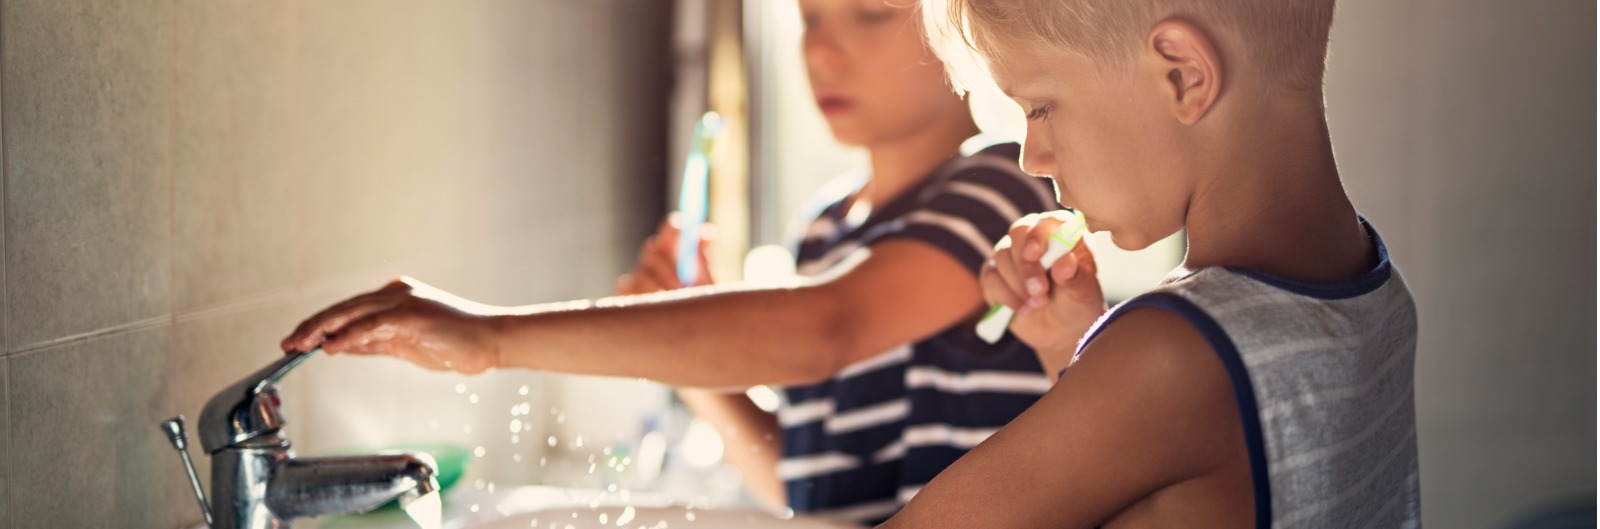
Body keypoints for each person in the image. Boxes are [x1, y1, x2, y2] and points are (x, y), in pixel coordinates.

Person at [280, 0, 1062, 524]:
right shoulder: (823, 229)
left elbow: (829, 326)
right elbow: (799, 477)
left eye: (870, 14)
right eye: (807, 16)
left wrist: (488, 337)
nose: (823, 47)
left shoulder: (1001, 183)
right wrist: (697, 361)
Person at [870, 0, 1421, 527]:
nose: (1030, 156)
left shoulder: (1172, 357)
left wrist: (1120, 361)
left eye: (1040, 108)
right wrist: (1076, 347)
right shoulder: (1373, 285)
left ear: (1183, 75)